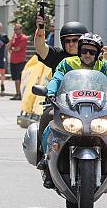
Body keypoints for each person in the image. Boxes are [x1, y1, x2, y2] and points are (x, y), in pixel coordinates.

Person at [34, 15, 88, 188]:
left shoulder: (91, 57)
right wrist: (40, 29)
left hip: (90, 106)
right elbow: (41, 48)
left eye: (76, 40)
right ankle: (43, 158)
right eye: (68, 40)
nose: (71, 43)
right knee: (47, 117)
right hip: (61, 105)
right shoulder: (58, 56)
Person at [40, 33, 107, 163]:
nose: (87, 54)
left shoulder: (104, 66)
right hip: (70, 107)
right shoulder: (67, 63)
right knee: (48, 116)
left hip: (98, 109)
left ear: (98, 53)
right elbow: (57, 79)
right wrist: (50, 93)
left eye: (92, 52)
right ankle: (45, 156)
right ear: (79, 51)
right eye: (84, 50)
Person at [7, 22, 28, 100]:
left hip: (20, 61)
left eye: (17, 29)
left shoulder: (24, 38)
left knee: (19, 78)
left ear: (21, 29)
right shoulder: (14, 38)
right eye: (14, 29)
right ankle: (17, 93)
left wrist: (12, 49)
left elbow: (18, 48)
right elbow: (7, 48)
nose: (15, 31)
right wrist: (12, 39)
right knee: (15, 79)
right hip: (13, 61)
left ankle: (20, 94)